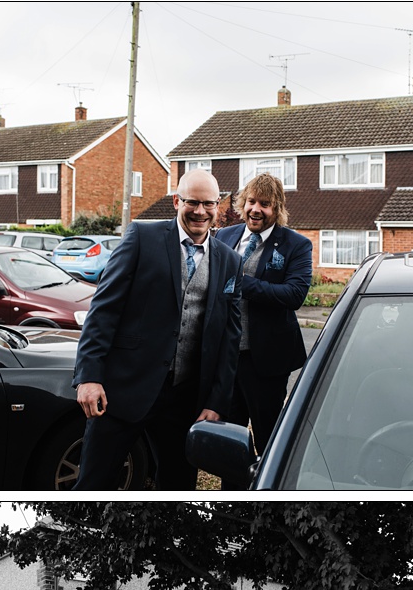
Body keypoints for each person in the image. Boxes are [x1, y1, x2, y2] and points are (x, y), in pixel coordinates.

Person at [71, 168, 243, 490]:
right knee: (94, 482)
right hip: (124, 389)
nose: (200, 211)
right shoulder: (142, 237)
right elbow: (104, 310)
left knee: (177, 487)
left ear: (218, 205)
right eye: (192, 202)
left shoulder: (231, 260)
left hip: (185, 397)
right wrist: (89, 376)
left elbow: (229, 338)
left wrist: (217, 401)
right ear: (176, 201)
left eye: (208, 204)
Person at [214, 173, 312, 455]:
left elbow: (295, 295)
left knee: (267, 437)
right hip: (227, 356)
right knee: (228, 439)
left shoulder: (296, 244)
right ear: (242, 203)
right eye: (251, 201)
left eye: (265, 204)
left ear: (277, 209)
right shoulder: (224, 236)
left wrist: (240, 282)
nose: (256, 209)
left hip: (267, 361)